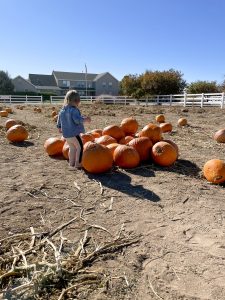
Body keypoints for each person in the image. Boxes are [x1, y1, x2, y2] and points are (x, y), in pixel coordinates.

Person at [57, 90, 91, 169]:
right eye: (78, 102)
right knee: (80, 147)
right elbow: (77, 120)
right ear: (77, 101)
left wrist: (59, 127)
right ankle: (78, 163)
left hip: (66, 135)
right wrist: (85, 119)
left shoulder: (62, 110)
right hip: (74, 134)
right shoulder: (74, 110)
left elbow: (59, 121)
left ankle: (71, 163)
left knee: (72, 148)